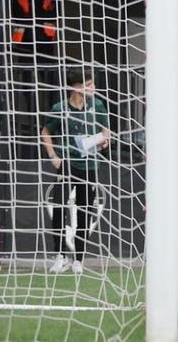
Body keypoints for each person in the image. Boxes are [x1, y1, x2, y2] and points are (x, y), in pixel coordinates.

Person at [38, 68, 111, 274]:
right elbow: (46, 131)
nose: (93, 88)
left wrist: (104, 140)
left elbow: (106, 129)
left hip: (89, 164)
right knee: (59, 208)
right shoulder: (60, 108)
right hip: (67, 165)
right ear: (76, 88)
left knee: (85, 211)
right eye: (89, 85)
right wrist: (52, 155)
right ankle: (60, 256)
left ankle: (78, 259)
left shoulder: (96, 105)